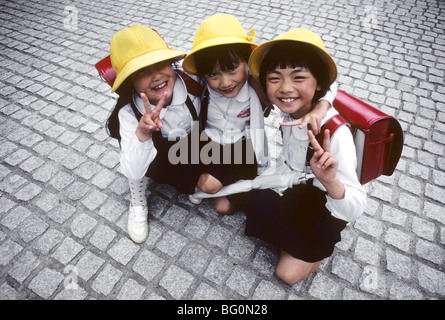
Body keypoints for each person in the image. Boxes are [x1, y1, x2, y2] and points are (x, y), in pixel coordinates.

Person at [245, 28, 367, 285]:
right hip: (299, 187)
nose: (285, 88)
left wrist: (331, 180)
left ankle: (317, 251)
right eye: (274, 78)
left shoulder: (334, 134)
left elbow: (356, 205)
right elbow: (327, 84)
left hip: (325, 206)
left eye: (298, 77)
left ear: (319, 83)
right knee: (255, 198)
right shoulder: (293, 109)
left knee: (286, 275)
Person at [182, 14, 336, 215]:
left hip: (243, 150)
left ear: (246, 61)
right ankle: (211, 182)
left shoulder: (260, 86)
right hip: (208, 146)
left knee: (224, 208)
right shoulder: (198, 86)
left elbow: (328, 80)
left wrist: (322, 106)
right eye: (213, 74)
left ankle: (222, 185)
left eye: (232, 69)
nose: (226, 82)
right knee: (208, 184)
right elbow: (168, 74)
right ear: (203, 74)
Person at [106, 25, 202, 243]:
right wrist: (142, 133)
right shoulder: (129, 112)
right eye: (141, 71)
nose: (156, 75)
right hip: (154, 158)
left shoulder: (193, 84)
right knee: (136, 161)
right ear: (129, 81)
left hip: (189, 149)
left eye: (160, 63)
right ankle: (137, 202)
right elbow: (132, 168)